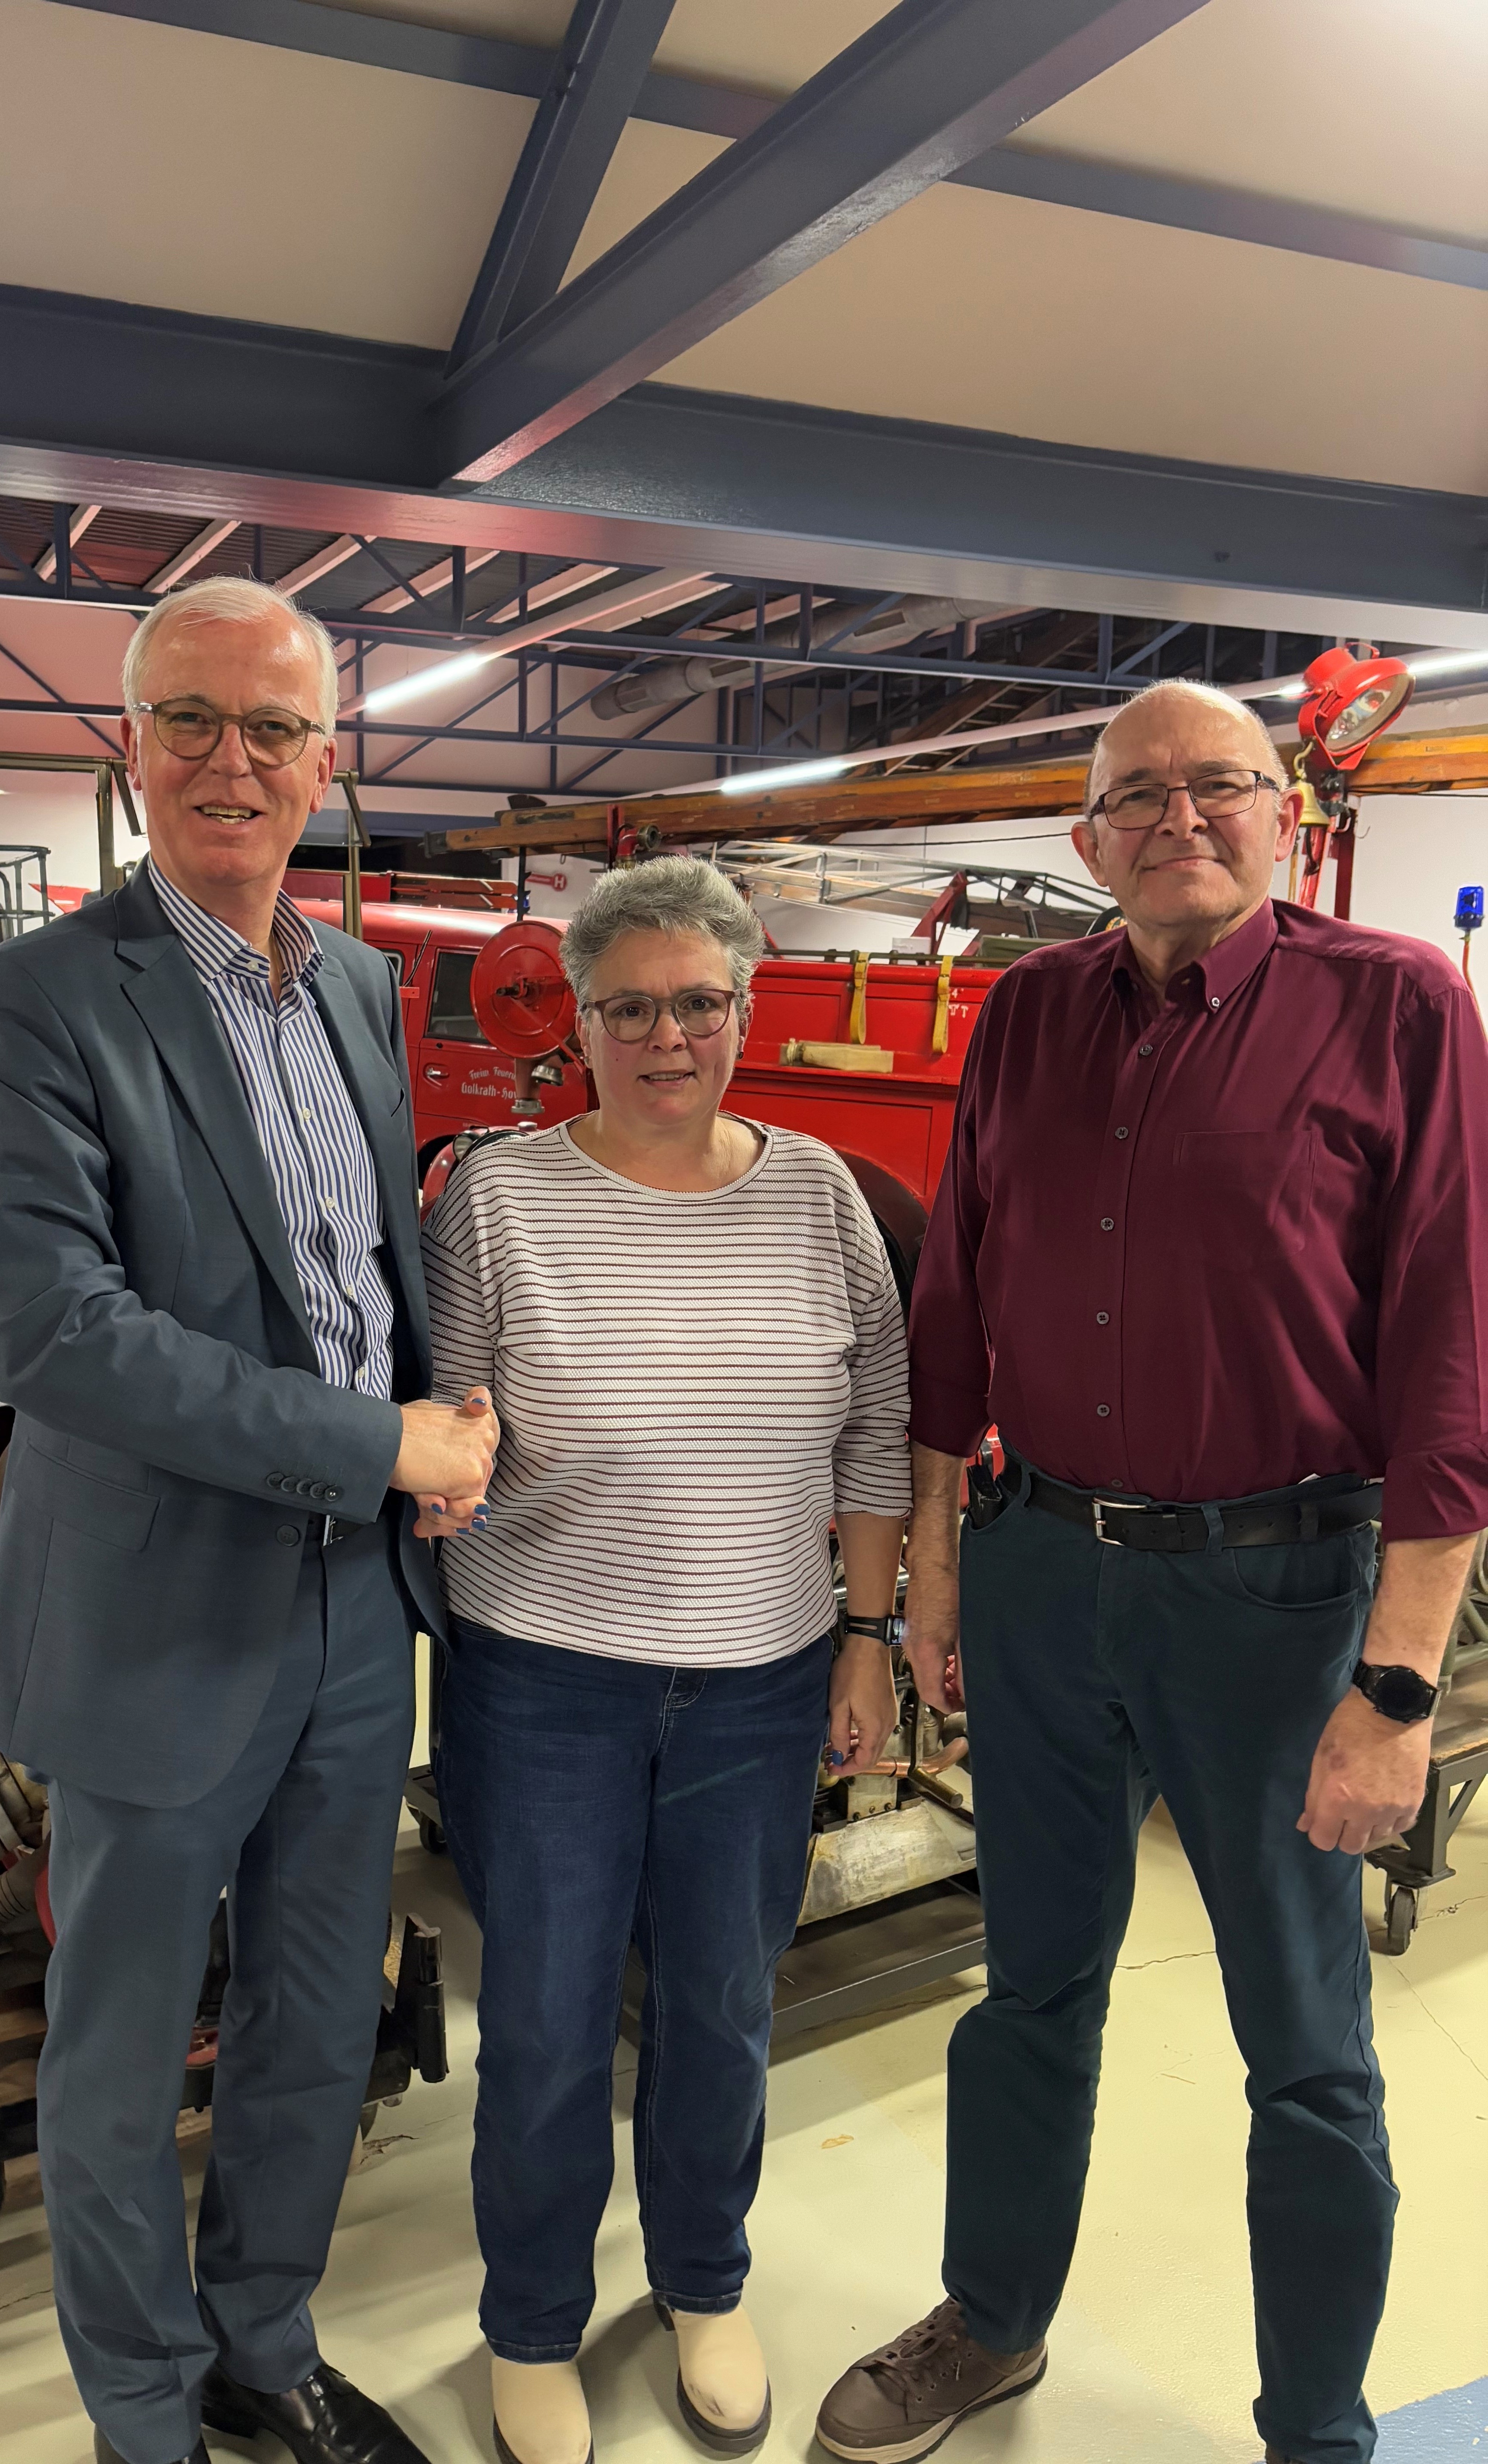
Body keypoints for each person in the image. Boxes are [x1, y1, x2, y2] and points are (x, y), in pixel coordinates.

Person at [814, 679, 1488, 2464]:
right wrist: (939, 1567)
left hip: (1273, 1604)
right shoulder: (1030, 1013)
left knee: (1308, 2046)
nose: (1179, 818)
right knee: (1032, 1985)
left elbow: (1448, 1355)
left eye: (1220, 788)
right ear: (1084, 837)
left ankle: (1320, 2428)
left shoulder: (1395, 1005)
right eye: (1138, 797)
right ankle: (998, 2318)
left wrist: (1400, 1687)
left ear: (1287, 815)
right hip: (1044, 1573)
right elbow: (954, 1299)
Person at [0, 575, 498, 2464]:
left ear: (329, 761)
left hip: (359, 1619)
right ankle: (147, 2418)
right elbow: (58, 1335)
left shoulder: (350, 983)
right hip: (162, 1618)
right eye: (190, 719)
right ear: (129, 743)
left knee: (316, 2020)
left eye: (271, 729)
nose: (230, 764)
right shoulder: (26, 1006)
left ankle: (265, 2343)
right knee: (110, 2064)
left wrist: (451, 1416)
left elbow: (359, 1269)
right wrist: (379, 1445)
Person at [421, 857, 911, 2464]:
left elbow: (873, 1434)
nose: (663, 1035)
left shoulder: (820, 1193)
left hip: (761, 1681)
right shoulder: (496, 1194)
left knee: (718, 2001)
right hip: (545, 1678)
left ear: (742, 1005)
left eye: (695, 1002)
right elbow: (450, 1418)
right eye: (626, 1006)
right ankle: (534, 2323)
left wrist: (866, 1632)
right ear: (577, 1017)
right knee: (552, 2018)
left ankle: (706, 2281)